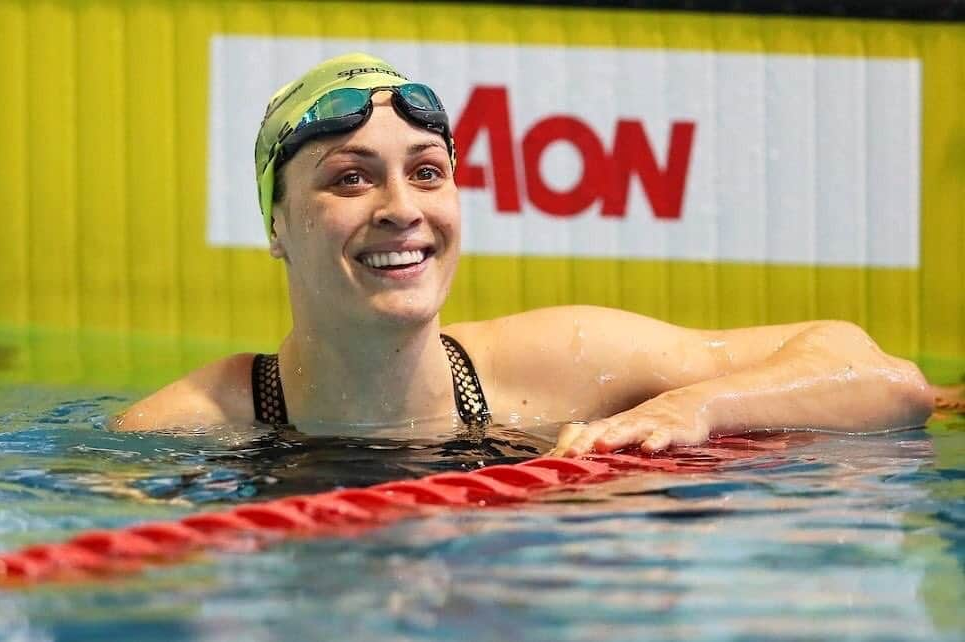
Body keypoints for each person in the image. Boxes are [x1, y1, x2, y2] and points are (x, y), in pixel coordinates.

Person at [116, 53, 934, 456]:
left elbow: (886, 380)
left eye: (427, 173)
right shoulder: (188, 430)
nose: (402, 210)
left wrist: (698, 408)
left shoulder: (567, 364)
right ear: (277, 226)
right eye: (351, 179)